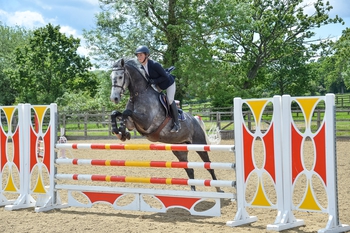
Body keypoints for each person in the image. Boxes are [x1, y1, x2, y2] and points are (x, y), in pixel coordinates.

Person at [135, 45, 181, 133]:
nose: (139, 57)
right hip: (158, 85)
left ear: (146, 55)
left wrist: (154, 81)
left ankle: (177, 123)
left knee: (170, 100)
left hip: (168, 83)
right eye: (138, 55)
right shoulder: (141, 67)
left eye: (141, 55)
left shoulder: (154, 64)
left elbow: (165, 76)